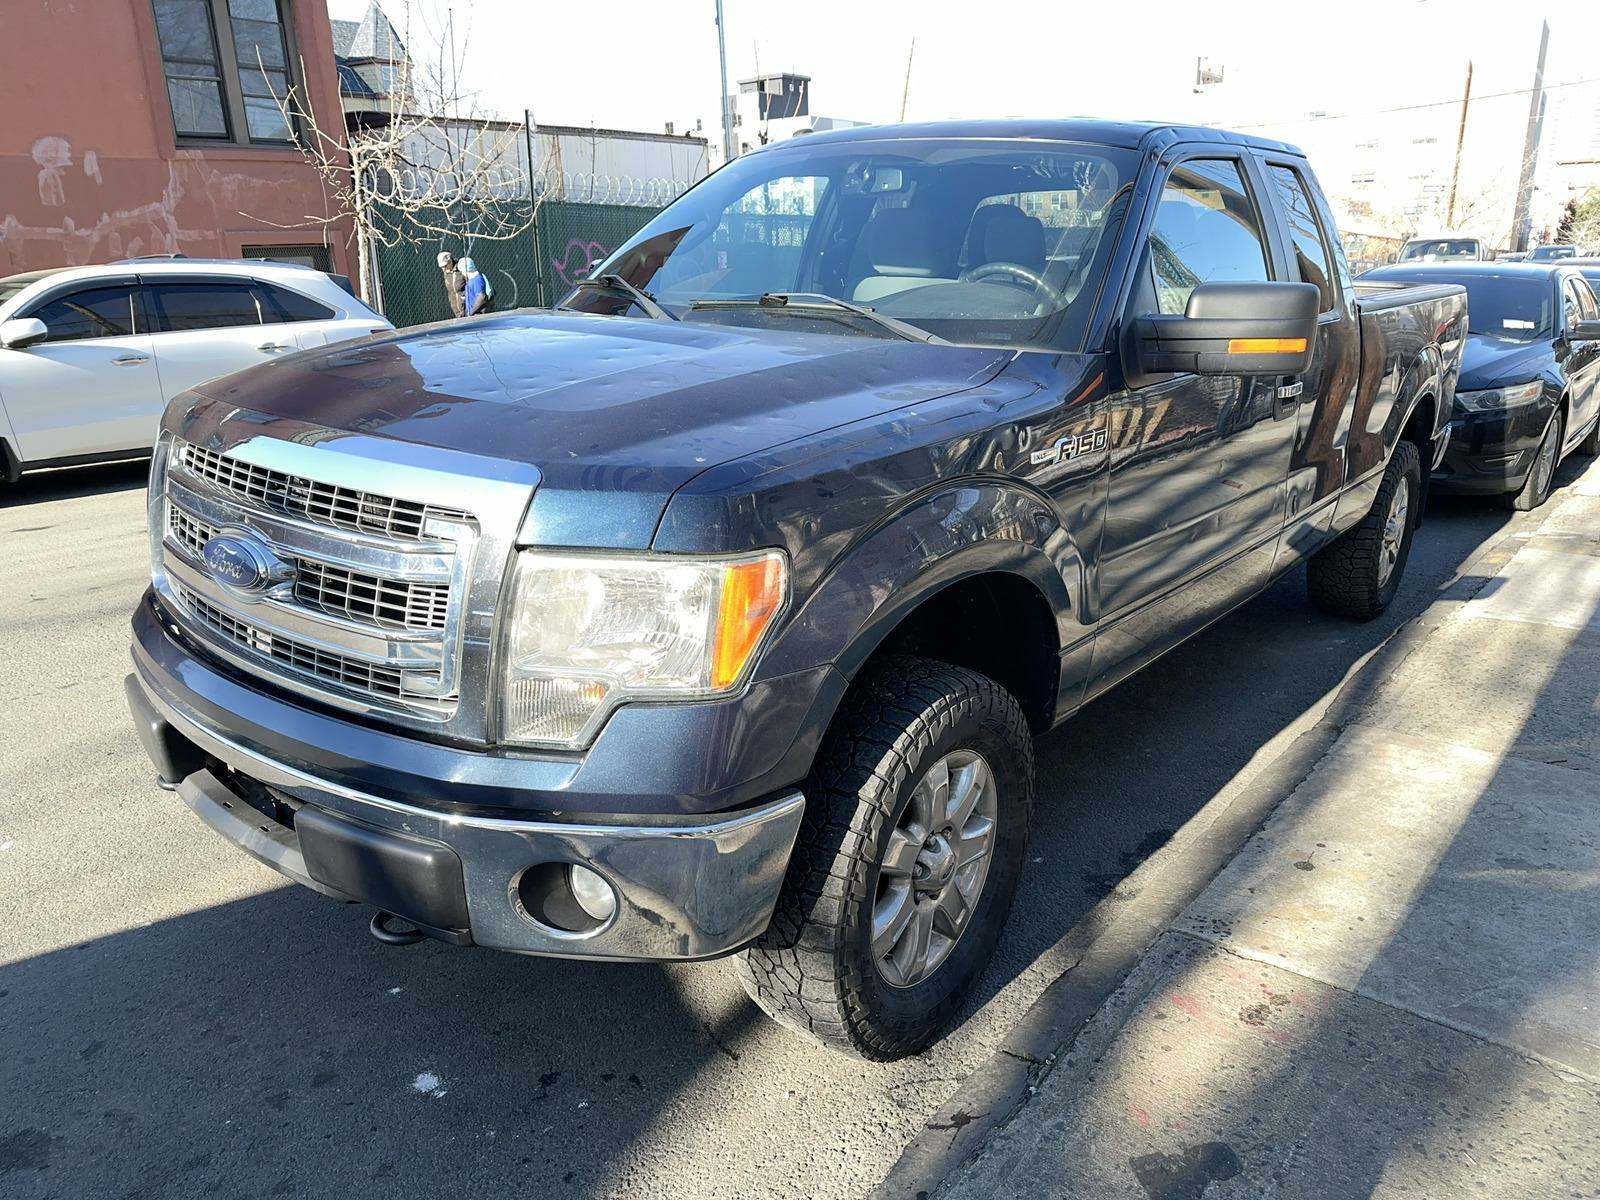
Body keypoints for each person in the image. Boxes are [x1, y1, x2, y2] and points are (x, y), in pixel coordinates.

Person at [436, 251, 466, 318]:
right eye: (441, 267)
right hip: (456, 310)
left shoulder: (461, 268)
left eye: (445, 266)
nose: (443, 269)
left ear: (450, 262)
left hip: (468, 307)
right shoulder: (446, 273)